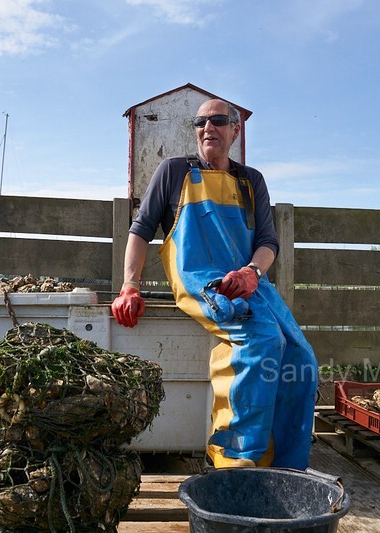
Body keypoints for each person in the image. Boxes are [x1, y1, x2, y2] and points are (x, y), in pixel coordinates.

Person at [111, 98, 318, 470]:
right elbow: (140, 230)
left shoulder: (251, 180)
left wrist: (252, 272)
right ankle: (233, 459)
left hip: (249, 282)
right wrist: (130, 285)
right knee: (261, 339)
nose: (208, 128)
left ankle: (285, 467)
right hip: (203, 282)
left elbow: (268, 243)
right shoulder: (173, 172)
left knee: (302, 359)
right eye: (200, 122)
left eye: (219, 120)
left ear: (235, 130)